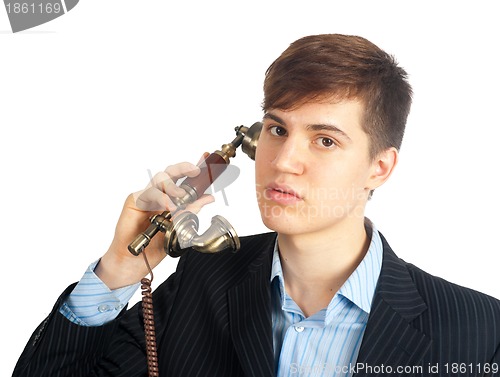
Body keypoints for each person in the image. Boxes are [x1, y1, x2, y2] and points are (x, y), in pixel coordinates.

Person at [13, 34, 500, 377]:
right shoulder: (197, 287)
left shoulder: (480, 330)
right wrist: (118, 269)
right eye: (277, 129)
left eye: (325, 141)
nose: (284, 161)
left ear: (380, 167)